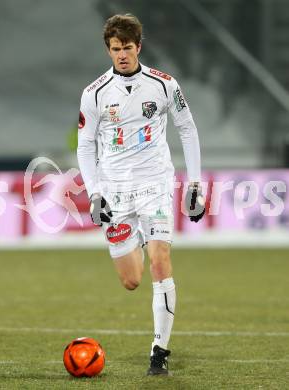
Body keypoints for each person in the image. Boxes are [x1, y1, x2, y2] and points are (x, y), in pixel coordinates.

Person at [77, 14, 205, 376]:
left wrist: (195, 184)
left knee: (161, 261)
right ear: (108, 49)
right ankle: (137, 247)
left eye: (127, 48)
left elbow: (187, 129)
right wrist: (95, 193)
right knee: (132, 279)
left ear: (139, 46)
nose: (122, 55)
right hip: (115, 192)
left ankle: (159, 352)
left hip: (155, 186)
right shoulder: (95, 94)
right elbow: (86, 147)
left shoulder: (164, 85)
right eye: (115, 49)